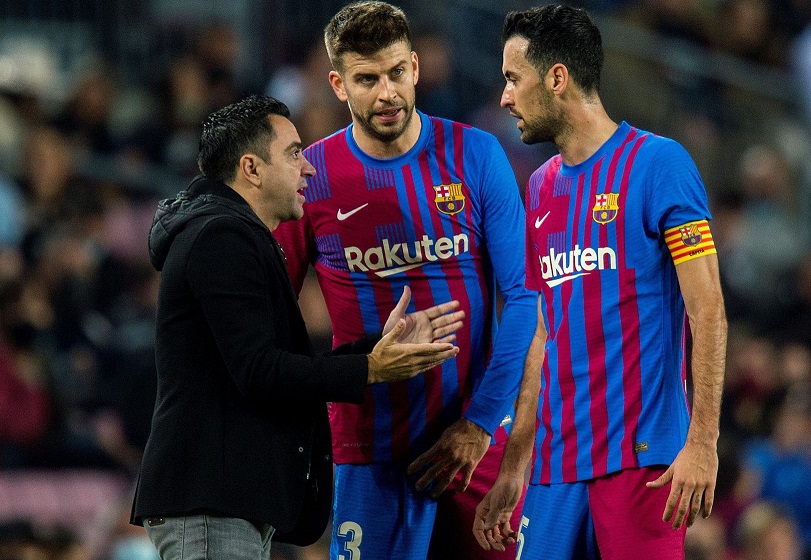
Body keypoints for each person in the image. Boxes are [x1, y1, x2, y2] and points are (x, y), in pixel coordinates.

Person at [130, 94, 465, 560]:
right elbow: (260, 372)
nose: (308, 168)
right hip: (211, 502)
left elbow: (277, 365)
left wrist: (376, 348)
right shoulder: (221, 237)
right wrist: (370, 368)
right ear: (251, 168)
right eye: (293, 153)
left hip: (225, 502)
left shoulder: (231, 235)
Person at [272, 3, 537, 559]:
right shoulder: (312, 178)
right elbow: (270, 309)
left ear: (415, 67)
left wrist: (480, 423)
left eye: (396, 72)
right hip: (369, 450)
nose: (386, 92)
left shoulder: (475, 155)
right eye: (367, 79)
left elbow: (524, 297)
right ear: (339, 85)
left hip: (476, 442)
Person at [472, 6, 728, 560]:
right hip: (555, 469)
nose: (505, 97)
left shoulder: (660, 164)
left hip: (643, 463)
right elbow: (541, 332)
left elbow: (706, 308)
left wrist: (703, 443)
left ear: (556, 78)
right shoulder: (539, 187)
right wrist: (515, 465)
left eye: (513, 78)